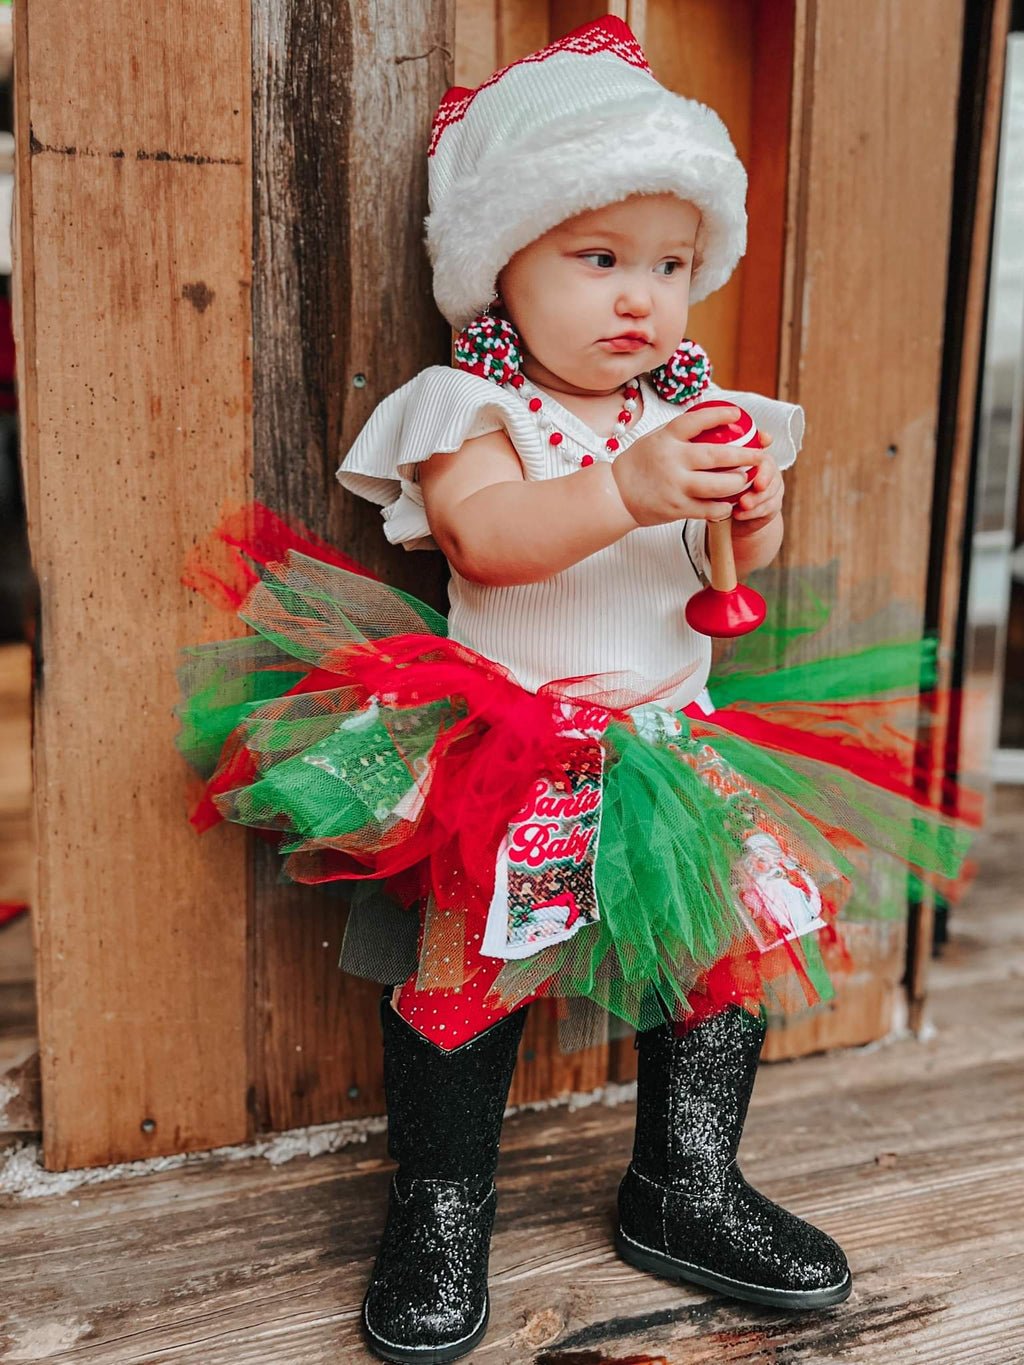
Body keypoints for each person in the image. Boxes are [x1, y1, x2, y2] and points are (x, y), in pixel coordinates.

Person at [174, 17, 976, 1364]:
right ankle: (439, 1199)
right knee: (471, 972)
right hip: (515, 749)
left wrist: (748, 511)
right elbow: (490, 538)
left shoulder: (689, 406)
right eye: (597, 259)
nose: (639, 299)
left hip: (673, 744)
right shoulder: (470, 412)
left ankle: (686, 1181)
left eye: (669, 265)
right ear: (503, 269)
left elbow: (722, 560)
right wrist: (623, 487)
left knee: (713, 960)